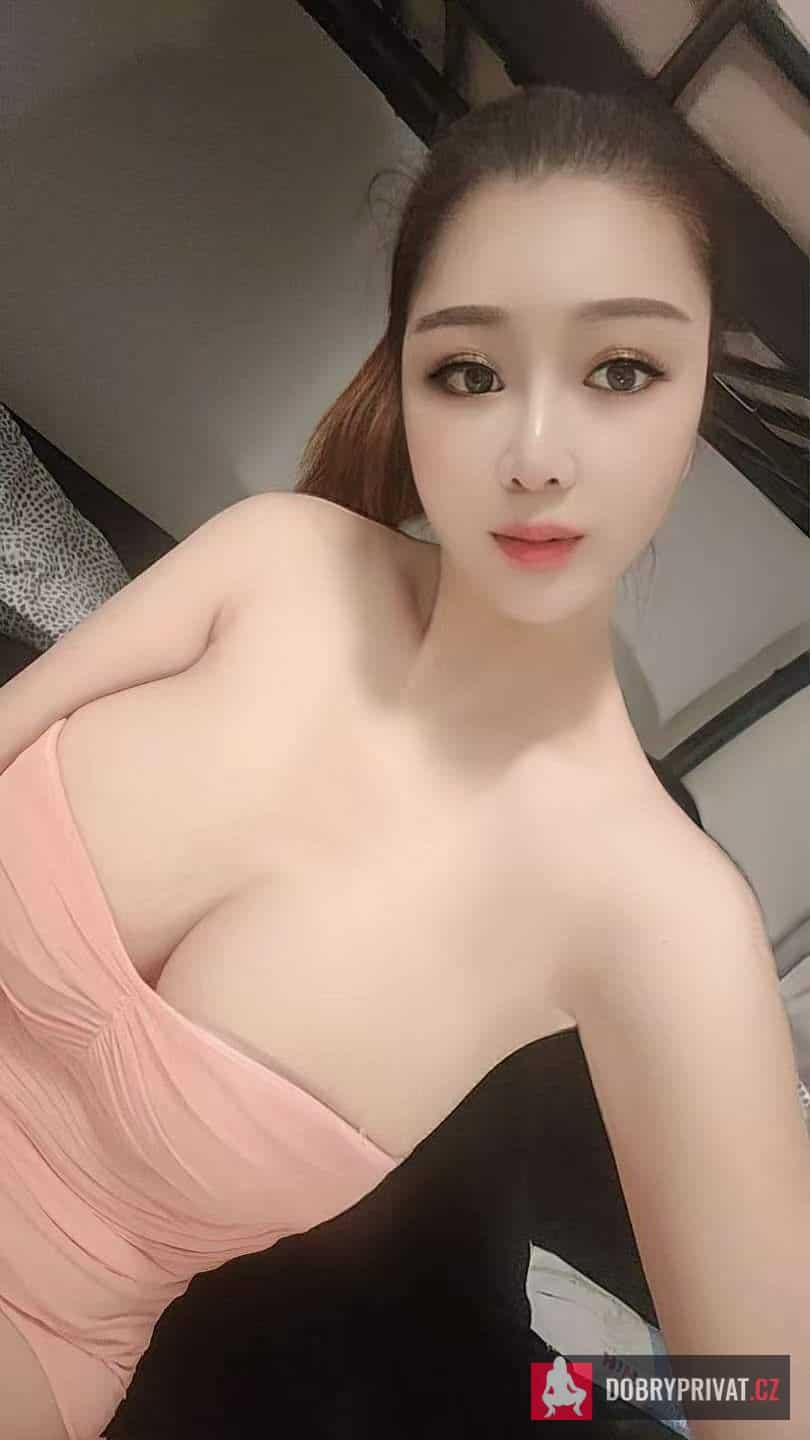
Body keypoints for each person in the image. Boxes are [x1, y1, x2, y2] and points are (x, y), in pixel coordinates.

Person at [0, 83, 807, 1440]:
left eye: (622, 371)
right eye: (472, 369)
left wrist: (575, 1388)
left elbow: (768, 1393)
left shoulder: (661, 913)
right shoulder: (275, 557)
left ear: (692, 408)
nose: (537, 455)